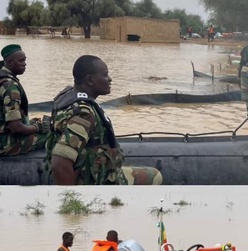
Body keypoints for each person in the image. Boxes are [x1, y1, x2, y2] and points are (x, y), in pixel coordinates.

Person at [45, 55, 162, 185]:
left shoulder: (67, 100)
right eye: (105, 75)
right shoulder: (84, 115)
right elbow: (60, 163)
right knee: (155, 175)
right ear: (90, 80)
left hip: (90, 171)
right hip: (93, 180)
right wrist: (72, 198)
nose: (110, 79)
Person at [0, 44, 50, 155]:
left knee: (34, 122)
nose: (24, 64)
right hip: (2, 144)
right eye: (21, 61)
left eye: (24, 60)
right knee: (52, 136)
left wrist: (30, 124)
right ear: (10, 62)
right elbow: (16, 128)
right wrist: (38, 128)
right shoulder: (11, 87)